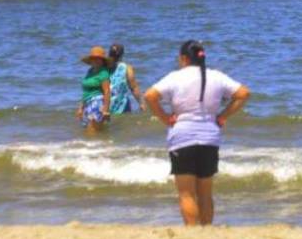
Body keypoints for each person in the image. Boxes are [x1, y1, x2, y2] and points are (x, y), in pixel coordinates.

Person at [144, 40, 251, 227]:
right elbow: (243, 93)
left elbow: (150, 96)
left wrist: (164, 118)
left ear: (184, 58)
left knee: (186, 194)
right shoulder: (216, 76)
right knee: (205, 193)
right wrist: (223, 116)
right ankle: (206, 231)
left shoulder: (176, 77)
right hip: (210, 137)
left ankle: (193, 234)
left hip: (183, 136)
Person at [76, 46, 111, 133]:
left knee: (92, 129)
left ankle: (94, 146)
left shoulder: (103, 72)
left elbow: (107, 91)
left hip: (97, 102)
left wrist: (105, 110)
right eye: (93, 58)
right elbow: (85, 91)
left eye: (98, 58)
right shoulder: (90, 71)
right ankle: (101, 145)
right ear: (90, 60)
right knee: (90, 130)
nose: (96, 60)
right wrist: (81, 108)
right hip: (88, 102)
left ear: (103, 61)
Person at [107, 43, 143, 114]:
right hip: (121, 105)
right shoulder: (127, 68)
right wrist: (141, 103)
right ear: (122, 55)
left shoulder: (103, 67)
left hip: (106, 104)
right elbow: (134, 87)